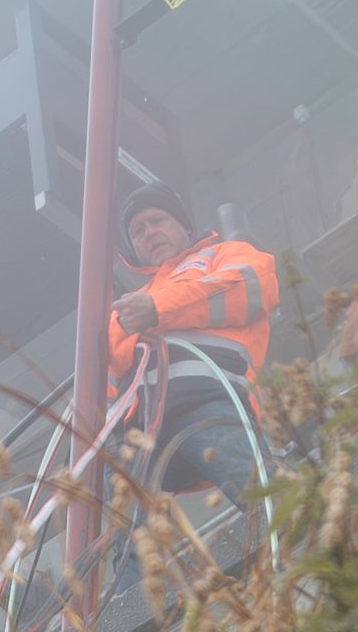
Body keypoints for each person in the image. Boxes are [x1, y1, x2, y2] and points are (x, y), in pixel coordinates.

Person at [102, 198, 282, 500]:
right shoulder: (132, 303)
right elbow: (107, 375)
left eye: (157, 220)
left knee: (266, 501)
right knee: (121, 536)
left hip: (206, 401)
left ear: (184, 225)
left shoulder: (224, 254)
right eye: (138, 231)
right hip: (136, 432)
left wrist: (157, 310)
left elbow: (249, 286)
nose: (149, 233)